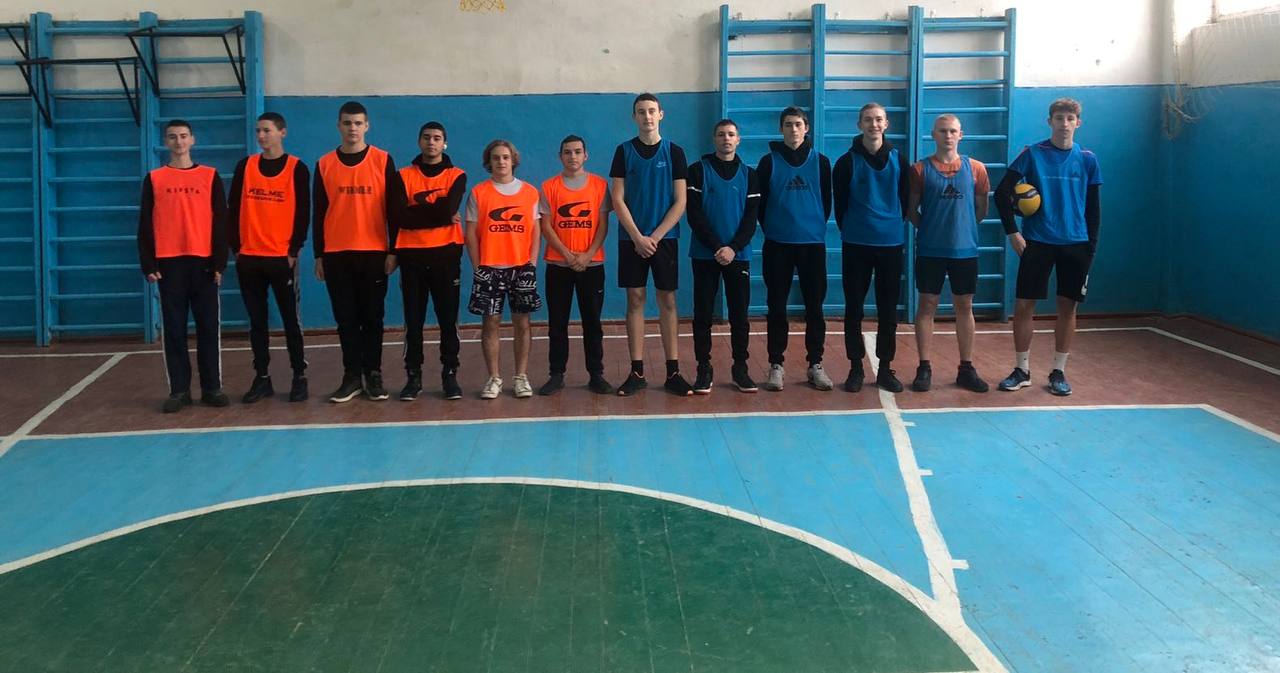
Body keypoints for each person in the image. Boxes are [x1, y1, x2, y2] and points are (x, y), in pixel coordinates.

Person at [994, 97, 1103, 396]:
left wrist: (1091, 247)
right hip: (1038, 242)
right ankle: (1022, 369)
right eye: (1059, 118)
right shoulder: (1032, 154)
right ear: (1049, 121)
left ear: (1078, 123)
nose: (1064, 123)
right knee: (1023, 305)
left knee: (1068, 308)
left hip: (1076, 244)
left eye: (1070, 118)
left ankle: (1058, 371)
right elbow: (1002, 193)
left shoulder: (1088, 159)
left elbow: (1094, 209)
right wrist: (1013, 233)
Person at [313, 100, 405, 403]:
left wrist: (394, 250)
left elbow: (394, 210)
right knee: (346, 319)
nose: (352, 128)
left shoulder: (382, 160)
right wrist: (318, 254)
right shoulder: (324, 164)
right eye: (347, 123)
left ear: (367, 126)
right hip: (337, 253)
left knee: (373, 317)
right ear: (338, 126)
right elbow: (319, 212)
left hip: (374, 252)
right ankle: (351, 376)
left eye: (357, 123)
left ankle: (373, 374)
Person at [137, 119, 229, 413]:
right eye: (173, 137)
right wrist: (148, 263)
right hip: (169, 263)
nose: (179, 142)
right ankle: (179, 390)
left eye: (183, 136)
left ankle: (212, 387)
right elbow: (145, 223)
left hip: (203, 262)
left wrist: (220, 262)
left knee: (208, 328)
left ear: (193, 140)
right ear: (166, 142)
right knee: (174, 329)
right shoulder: (154, 179)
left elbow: (221, 221)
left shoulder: (209, 176)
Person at [610, 93, 692, 396]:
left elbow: (680, 201)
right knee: (635, 299)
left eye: (651, 111)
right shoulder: (623, 151)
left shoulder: (675, 152)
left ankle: (673, 372)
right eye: (641, 111)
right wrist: (637, 237)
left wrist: (654, 237)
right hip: (631, 238)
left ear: (661, 114)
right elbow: (617, 199)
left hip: (664, 239)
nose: (647, 116)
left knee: (667, 300)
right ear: (634, 117)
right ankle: (637, 371)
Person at [228, 111, 310, 404]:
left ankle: (299, 376)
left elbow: (303, 212)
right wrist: (236, 248)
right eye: (258, 131)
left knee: (291, 321)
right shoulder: (245, 166)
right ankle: (262, 377)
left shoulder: (297, 168)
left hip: (281, 258)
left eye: (267, 130)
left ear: (282, 132)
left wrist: (293, 250)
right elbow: (232, 208)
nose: (261, 136)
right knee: (257, 322)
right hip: (249, 257)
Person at [905, 114, 991, 393]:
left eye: (953, 131)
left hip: (965, 251)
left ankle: (966, 367)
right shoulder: (919, 170)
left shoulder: (976, 169)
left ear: (961, 135)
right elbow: (912, 211)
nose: (948, 136)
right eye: (943, 131)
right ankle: (924, 366)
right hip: (930, 250)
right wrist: (933, 230)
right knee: (927, 305)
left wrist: (961, 230)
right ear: (934, 134)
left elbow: (981, 210)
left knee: (964, 306)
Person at [832, 102, 912, 393]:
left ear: (886, 124)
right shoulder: (845, 162)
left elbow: (905, 200)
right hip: (856, 244)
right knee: (854, 308)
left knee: (887, 309)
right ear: (859, 125)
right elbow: (839, 206)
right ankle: (855, 367)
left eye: (878, 119)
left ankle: (885, 368)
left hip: (890, 244)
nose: (873, 124)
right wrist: (857, 228)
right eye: (868, 119)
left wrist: (888, 225)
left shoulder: (899, 160)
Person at [756, 106, 834, 392]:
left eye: (798, 124)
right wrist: (776, 227)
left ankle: (815, 364)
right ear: (781, 129)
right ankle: (776, 364)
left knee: (815, 307)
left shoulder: (821, 162)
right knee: (777, 306)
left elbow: (826, 202)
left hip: (812, 244)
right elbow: (761, 205)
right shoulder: (768, 162)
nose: (793, 129)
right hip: (778, 244)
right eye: (788, 124)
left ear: (806, 128)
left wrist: (810, 225)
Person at [685, 118, 760, 394]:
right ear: (714, 139)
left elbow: (751, 219)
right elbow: (694, 214)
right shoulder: (697, 171)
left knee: (740, 315)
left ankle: (740, 368)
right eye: (721, 134)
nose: (726, 138)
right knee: (703, 314)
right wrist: (718, 246)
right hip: (705, 254)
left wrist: (733, 247)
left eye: (730, 134)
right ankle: (703, 369)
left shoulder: (750, 175)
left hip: (738, 255)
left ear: (738, 139)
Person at [465, 139, 543, 400]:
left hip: (521, 267)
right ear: (489, 162)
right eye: (496, 157)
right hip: (490, 268)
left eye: (505, 157)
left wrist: (531, 264)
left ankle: (521, 377)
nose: (501, 162)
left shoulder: (529, 192)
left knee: (522, 322)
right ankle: (494, 378)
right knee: (491, 323)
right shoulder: (478, 192)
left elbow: (535, 232)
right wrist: (478, 267)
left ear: (513, 160)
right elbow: (470, 234)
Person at [394, 121, 466, 401]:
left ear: (444, 143)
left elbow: (448, 209)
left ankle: (450, 374)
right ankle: (413, 376)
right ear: (419, 141)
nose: (431, 142)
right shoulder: (403, 175)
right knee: (413, 322)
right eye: (426, 137)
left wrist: (416, 212)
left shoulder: (457, 175)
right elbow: (398, 216)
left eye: (437, 138)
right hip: (411, 257)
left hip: (446, 256)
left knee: (448, 320)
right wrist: (438, 214)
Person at [538, 135, 613, 396]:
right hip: (558, 265)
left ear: (585, 155)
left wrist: (588, 255)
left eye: (577, 152)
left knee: (592, 322)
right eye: (567, 152)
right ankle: (556, 374)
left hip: (592, 265)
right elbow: (546, 226)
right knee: (557, 323)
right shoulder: (548, 187)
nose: (573, 157)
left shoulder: (600, 185)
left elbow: (603, 225)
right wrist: (568, 255)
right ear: (560, 156)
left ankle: (596, 374)